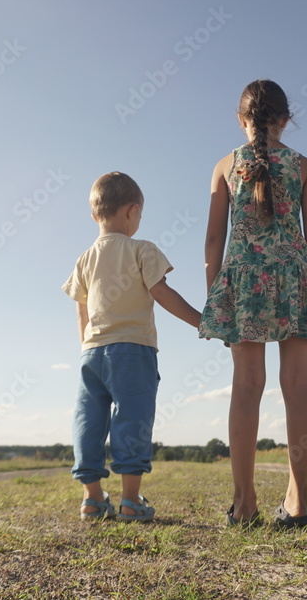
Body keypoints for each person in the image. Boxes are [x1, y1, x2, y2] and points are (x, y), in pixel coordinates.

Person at [199, 79, 307, 527]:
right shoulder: (304, 166)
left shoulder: (225, 165)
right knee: (298, 387)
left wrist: (218, 294)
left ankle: (244, 503)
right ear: (285, 119)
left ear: (242, 119)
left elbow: (213, 241)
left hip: (243, 281)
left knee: (246, 387)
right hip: (294, 280)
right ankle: (297, 503)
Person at [63, 172, 201, 522]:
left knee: (88, 420)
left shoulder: (84, 259)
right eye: (139, 216)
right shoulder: (143, 250)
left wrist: (86, 346)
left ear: (95, 215)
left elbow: (81, 309)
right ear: (132, 211)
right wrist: (202, 321)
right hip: (134, 349)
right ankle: (129, 499)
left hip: (91, 352)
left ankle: (92, 499)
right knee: (132, 419)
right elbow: (162, 293)